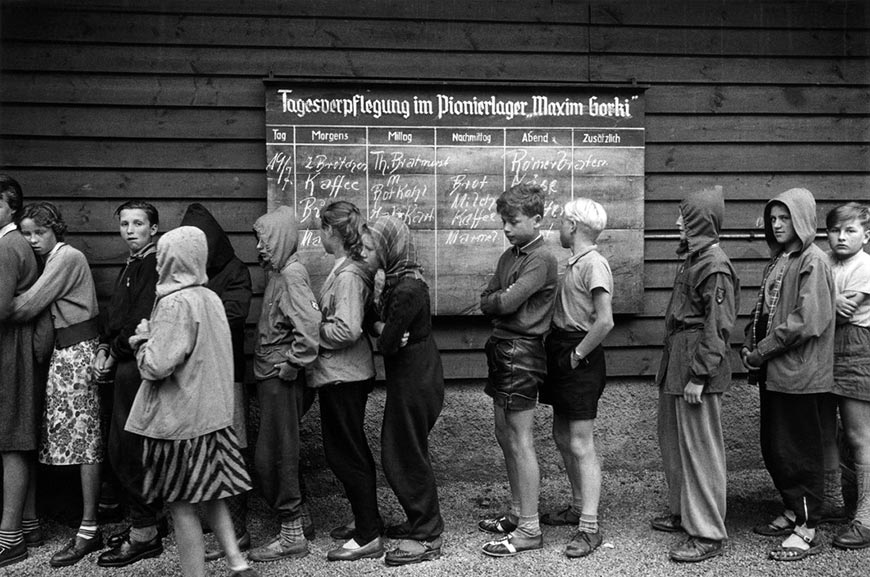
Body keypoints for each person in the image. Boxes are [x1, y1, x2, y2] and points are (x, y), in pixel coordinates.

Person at [126, 226, 256, 577]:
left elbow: (156, 366)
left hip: (177, 424)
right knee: (213, 495)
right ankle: (237, 563)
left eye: (162, 258)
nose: (156, 266)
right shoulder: (209, 297)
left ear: (174, 260)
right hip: (210, 417)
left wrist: (142, 341)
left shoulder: (173, 303)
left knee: (181, 505)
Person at [742, 188, 836, 562]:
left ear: (802, 219)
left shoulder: (813, 260)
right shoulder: (782, 258)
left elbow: (806, 321)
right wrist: (750, 344)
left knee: (799, 449)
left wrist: (762, 350)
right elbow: (766, 310)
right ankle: (793, 509)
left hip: (800, 374)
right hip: (775, 372)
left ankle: (808, 526)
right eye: (773, 219)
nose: (777, 225)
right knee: (776, 446)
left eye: (785, 218)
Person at [10, 202, 103, 567]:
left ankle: (90, 526)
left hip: (78, 351)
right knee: (75, 439)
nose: (33, 240)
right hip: (66, 351)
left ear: (56, 230)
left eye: (40, 232)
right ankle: (87, 515)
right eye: (27, 233)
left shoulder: (67, 257)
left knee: (86, 439)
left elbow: (26, 306)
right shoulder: (52, 258)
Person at [651, 188, 738, 563]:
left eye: (682, 219)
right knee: (674, 443)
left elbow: (718, 327)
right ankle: (686, 513)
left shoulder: (714, 265)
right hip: (678, 362)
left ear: (699, 223)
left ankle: (707, 532)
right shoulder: (693, 259)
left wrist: (699, 376)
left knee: (701, 450)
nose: (676, 225)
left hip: (695, 367)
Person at [477, 183, 558, 557]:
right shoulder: (509, 255)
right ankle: (516, 512)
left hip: (521, 352)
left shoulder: (541, 257)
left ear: (537, 219)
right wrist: (499, 300)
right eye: (503, 221)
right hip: (502, 349)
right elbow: (490, 300)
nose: (506, 228)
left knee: (520, 438)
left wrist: (499, 300)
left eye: (513, 221)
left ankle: (529, 528)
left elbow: (505, 301)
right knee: (503, 433)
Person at [91, 200, 168, 568]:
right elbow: (116, 315)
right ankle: (149, 523)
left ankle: (145, 534)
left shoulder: (152, 265)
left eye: (138, 223)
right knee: (121, 445)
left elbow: (141, 318)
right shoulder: (132, 264)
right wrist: (105, 345)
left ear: (154, 228)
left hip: (137, 365)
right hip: (121, 363)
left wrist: (115, 350)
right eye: (124, 224)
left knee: (131, 448)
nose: (130, 230)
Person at [366, 216, 445, 566]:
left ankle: (428, 535)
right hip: (411, 375)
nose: (365, 253)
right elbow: (379, 329)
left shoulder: (407, 289)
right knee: (400, 450)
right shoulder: (396, 281)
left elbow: (385, 343)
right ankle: (419, 522)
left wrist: (384, 332)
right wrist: (384, 328)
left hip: (416, 378)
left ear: (388, 248)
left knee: (404, 453)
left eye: (371, 247)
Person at [307, 200, 383, 562]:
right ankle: (364, 521)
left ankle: (368, 535)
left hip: (344, 376)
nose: (319, 235)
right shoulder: (346, 269)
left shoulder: (349, 275)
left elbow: (348, 328)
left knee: (347, 455)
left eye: (321, 229)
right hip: (341, 375)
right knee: (348, 452)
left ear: (331, 232)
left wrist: (310, 330)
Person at [539, 198, 614, 559]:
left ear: (573, 226)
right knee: (560, 434)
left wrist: (577, 355)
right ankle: (577, 503)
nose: (558, 227)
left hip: (578, 356)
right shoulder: (577, 262)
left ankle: (590, 527)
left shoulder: (594, 264)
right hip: (563, 352)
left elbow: (605, 321)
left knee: (582, 442)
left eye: (561, 222)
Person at [179, 203, 254, 561]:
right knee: (201, 452)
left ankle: (239, 532)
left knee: (232, 448)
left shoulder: (234, 271)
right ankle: (214, 525)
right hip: (191, 376)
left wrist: (192, 317)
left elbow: (236, 316)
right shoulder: (185, 275)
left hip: (227, 373)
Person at [246, 206, 320, 563]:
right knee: (276, 452)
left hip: (281, 379)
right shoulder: (278, 272)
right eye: (258, 239)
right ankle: (301, 520)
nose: (259, 247)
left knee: (275, 456)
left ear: (280, 238)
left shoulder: (292, 275)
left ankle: (292, 535)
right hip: (270, 378)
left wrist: (293, 364)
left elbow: (309, 329)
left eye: (264, 239)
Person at [0, 175, 45, 569]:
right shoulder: (15, 243)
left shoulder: (8, 245)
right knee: (19, 435)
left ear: (11, 207)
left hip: (12, 348)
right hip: (17, 346)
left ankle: (9, 537)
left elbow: (1, 308)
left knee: (12, 438)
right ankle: (28, 523)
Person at [823, 203, 870, 550]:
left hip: (856, 345)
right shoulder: (823, 261)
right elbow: (811, 307)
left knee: (858, 434)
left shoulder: (865, 266)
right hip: (822, 349)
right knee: (823, 429)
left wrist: (822, 303)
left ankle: (866, 517)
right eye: (835, 230)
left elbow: (844, 313)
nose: (841, 237)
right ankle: (834, 502)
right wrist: (825, 304)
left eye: (850, 230)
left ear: (866, 235)